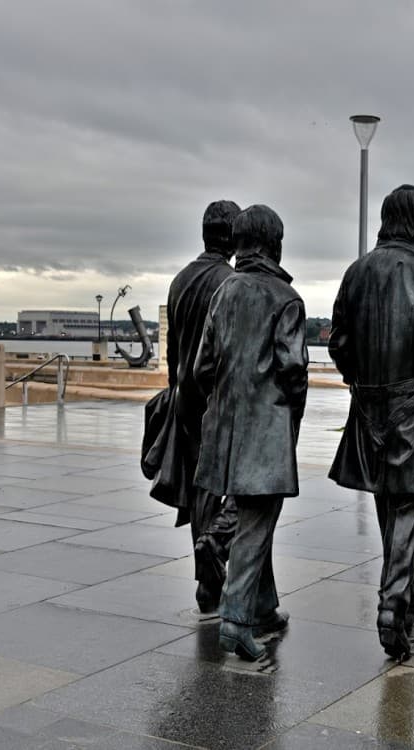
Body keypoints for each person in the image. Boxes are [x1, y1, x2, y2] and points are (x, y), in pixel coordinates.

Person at [328, 184, 414, 660]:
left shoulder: (356, 272)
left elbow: (337, 340)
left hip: (368, 401)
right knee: (408, 505)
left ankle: (410, 599)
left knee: (390, 500)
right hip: (412, 398)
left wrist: (356, 381)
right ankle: (392, 601)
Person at [194, 204, 308, 661]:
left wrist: (224, 403)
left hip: (225, 426)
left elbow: (203, 365)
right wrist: (287, 412)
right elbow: (294, 368)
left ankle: (262, 606)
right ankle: (237, 618)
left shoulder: (224, 292)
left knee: (251, 514)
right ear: (273, 243)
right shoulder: (285, 299)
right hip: (265, 428)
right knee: (256, 524)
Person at [164, 200, 241, 614]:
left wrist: (174, 392)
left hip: (185, 398)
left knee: (201, 492)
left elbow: (173, 352)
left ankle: (207, 582)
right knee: (229, 489)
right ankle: (211, 576)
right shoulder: (231, 282)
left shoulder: (180, 280)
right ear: (231, 237)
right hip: (217, 398)